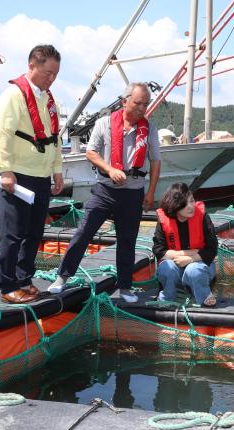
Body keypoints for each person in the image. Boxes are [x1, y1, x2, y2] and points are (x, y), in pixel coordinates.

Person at [48, 82, 161, 302]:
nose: (141, 108)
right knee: (83, 233)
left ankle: (126, 288)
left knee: (127, 241)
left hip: (133, 192)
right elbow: (91, 152)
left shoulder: (150, 129)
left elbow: (155, 161)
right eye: (137, 103)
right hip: (105, 190)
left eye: (145, 104)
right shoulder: (104, 123)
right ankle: (62, 277)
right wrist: (110, 169)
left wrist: (151, 193)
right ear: (124, 101)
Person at [0, 45, 64, 304]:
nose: (51, 78)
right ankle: (7, 285)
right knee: (12, 233)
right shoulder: (13, 95)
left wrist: (57, 170)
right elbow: (2, 135)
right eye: (47, 72)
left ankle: (24, 278)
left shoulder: (49, 99)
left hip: (41, 174)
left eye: (55, 73)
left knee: (34, 231)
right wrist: (6, 171)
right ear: (32, 66)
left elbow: (54, 137)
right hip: (19, 175)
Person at [152, 183, 218, 306]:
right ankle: (167, 297)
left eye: (192, 201)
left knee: (194, 270)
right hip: (175, 265)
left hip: (201, 265)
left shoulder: (203, 217)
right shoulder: (163, 220)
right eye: (185, 203)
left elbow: (212, 249)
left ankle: (204, 296)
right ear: (175, 205)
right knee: (166, 268)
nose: (191, 206)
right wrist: (186, 254)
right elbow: (158, 250)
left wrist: (190, 259)